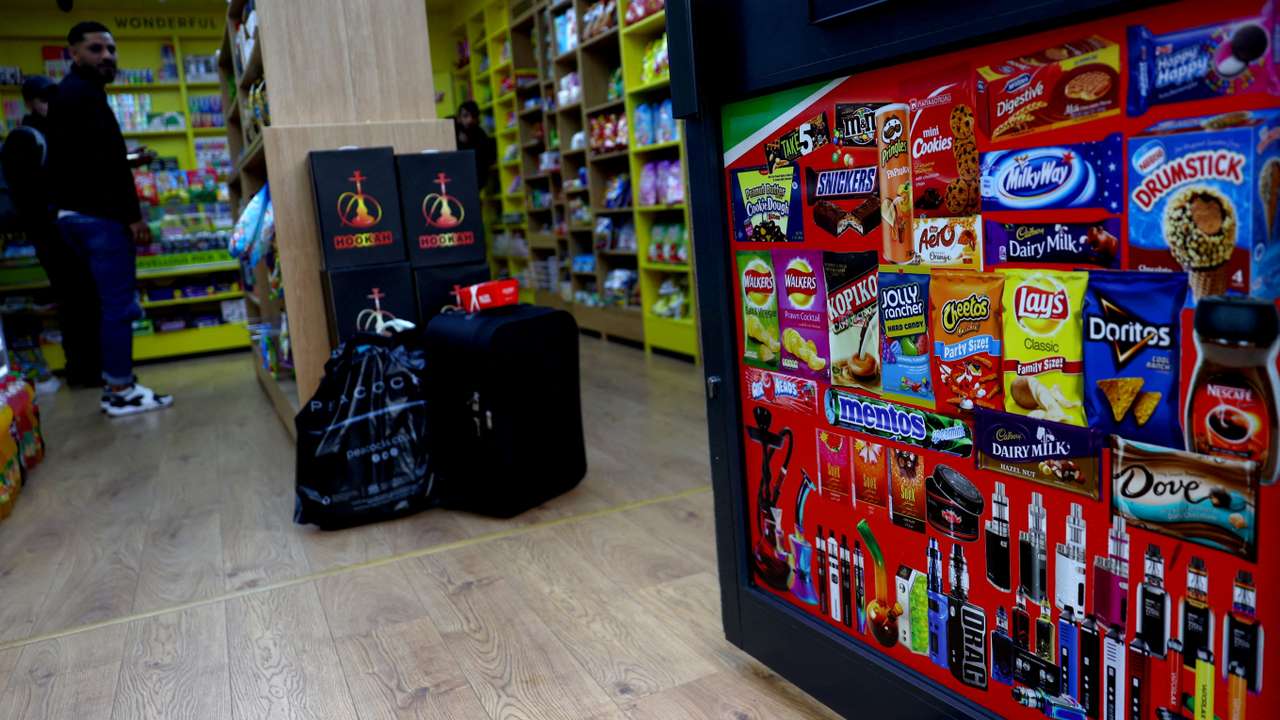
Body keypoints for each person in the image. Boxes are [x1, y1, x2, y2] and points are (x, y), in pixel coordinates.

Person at [46, 21, 172, 416]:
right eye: (96, 49)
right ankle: (121, 389)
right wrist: (133, 216)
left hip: (75, 216)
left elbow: (88, 160)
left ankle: (116, 384)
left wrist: (127, 158)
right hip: (99, 218)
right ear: (74, 53)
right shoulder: (84, 96)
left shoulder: (71, 96)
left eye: (111, 50)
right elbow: (107, 167)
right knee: (118, 306)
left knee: (105, 305)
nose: (107, 57)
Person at [0, 75, 104, 387]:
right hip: (52, 233)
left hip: (69, 229)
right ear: (31, 101)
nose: (51, 105)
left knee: (83, 299)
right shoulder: (25, 137)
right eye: (45, 100)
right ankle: (83, 371)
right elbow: (26, 192)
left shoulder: (55, 132)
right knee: (75, 300)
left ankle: (92, 367)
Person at [454, 100, 496, 191]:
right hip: (454, 176)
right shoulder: (453, 127)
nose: (469, 119)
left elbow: (486, 160)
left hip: (474, 179)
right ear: (459, 118)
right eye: (465, 116)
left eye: (473, 116)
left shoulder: (481, 135)